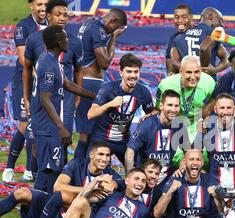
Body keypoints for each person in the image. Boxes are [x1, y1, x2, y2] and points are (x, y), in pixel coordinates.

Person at [14, 142, 124, 218]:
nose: (104, 159)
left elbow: (119, 184)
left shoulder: (110, 174)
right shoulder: (77, 163)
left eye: (107, 155)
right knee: (21, 193)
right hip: (62, 206)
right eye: (100, 154)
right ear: (91, 155)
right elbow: (57, 186)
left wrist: (110, 184)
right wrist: (89, 188)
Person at [31, 25, 96, 194]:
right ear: (59, 41)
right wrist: (62, 128)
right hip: (47, 127)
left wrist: (94, 96)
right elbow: (45, 99)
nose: (69, 40)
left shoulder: (53, 61)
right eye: (66, 38)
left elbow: (67, 83)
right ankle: (39, 207)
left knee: (50, 168)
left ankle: (36, 207)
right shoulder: (48, 65)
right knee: (51, 169)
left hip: (49, 125)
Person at [23, 0, 84, 167]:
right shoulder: (34, 39)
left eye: (65, 14)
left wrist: (77, 99)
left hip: (65, 101)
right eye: (58, 14)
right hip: (41, 99)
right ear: (48, 15)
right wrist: (26, 97)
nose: (63, 18)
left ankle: (59, 182)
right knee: (36, 139)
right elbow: (27, 69)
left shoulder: (75, 42)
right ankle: (37, 178)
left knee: (63, 138)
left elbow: (79, 70)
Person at [3, 0, 48, 182]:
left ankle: (30, 169)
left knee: (37, 126)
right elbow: (23, 58)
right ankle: (10, 168)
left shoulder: (53, 24)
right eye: (39, 4)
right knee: (24, 126)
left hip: (46, 83)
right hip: (26, 82)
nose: (43, 8)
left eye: (46, 4)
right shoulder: (24, 26)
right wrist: (41, 74)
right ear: (31, 5)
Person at [74, 8, 127, 159]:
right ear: (113, 21)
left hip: (86, 81)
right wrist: (114, 38)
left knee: (90, 134)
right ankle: (77, 171)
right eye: (115, 29)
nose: (112, 32)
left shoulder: (90, 24)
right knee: (87, 135)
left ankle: (84, 171)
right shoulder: (98, 29)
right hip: (90, 83)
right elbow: (104, 62)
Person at [87, 54, 154, 164]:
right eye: (129, 71)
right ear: (121, 72)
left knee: (137, 170)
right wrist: (110, 104)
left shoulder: (143, 92)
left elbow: (153, 113)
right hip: (102, 138)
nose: (133, 75)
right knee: (91, 170)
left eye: (136, 72)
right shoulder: (108, 88)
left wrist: (148, 117)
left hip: (124, 140)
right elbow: (90, 114)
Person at [153, 149, 219, 218]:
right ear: (185, 162)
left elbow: (222, 212)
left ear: (202, 163)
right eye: (191, 159)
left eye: (198, 159)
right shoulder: (174, 180)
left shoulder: (210, 181)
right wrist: (170, 192)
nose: (195, 162)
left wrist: (217, 197)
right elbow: (157, 213)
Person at [194, 93, 235, 190]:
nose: (225, 112)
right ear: (215, 109)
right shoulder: (207, 128)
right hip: (214, 192)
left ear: (234, 110)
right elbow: (193, 152)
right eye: (222, 108)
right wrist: (202, 173)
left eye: (229, 108)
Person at [125, 89, 190, 184]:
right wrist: (131, 178)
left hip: (167, 178)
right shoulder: (147, 125)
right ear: (161, 106)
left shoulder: (180, 126)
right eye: (170, 105)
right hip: (145, 178)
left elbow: (189, 151)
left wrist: (183, 166)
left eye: (176, 106)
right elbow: (129, 152)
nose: (173, 109)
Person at [171, 7, 229, 77]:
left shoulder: (180, 34)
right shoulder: (212, 33)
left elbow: (174, 62)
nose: (222, 24)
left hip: (186, 80)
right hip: (206, 81)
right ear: (210, 17)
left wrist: (188, 71)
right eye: (220, 20)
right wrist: (214, 70)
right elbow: (228, 59)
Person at [166, 4, 193, 76]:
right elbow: (169, 60)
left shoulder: (202, 34)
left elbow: (225, 57)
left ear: (191, 18)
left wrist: (215, 70)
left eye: (184, 17)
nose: (180, 20)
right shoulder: (173, 38)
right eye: (177, 17)